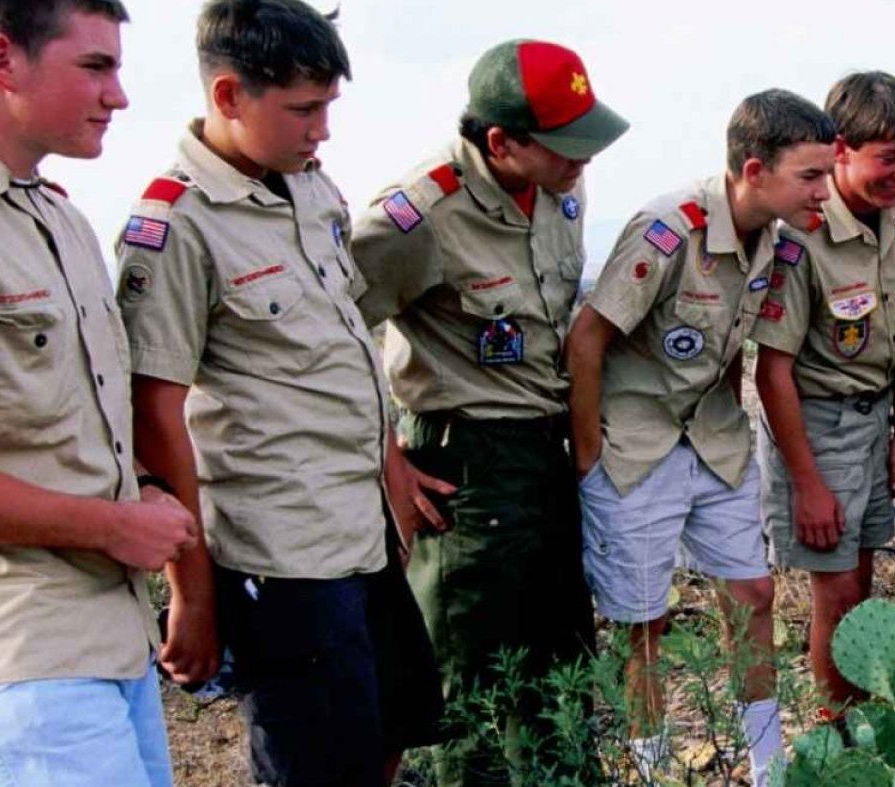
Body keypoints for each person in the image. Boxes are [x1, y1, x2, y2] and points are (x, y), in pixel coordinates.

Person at [116, 2, 446, 784]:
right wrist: (190, 593)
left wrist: (390, 462)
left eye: (327, 105)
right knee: (315, 763)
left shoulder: (308, 187)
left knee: (391, 725)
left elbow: (339, 352)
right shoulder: (175, 225)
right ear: (228, 96)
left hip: (359, 531)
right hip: (284, 552)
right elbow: (154, 416)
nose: (322, 129)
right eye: (303, 108)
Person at [0, 3, 194, 784]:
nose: (120, 96)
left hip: (102, 635)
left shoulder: (55, 216)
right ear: (3, 60)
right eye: (96, 67)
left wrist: (137, 492)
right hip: (19, 652)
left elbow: (53, 426)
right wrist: (112, 524)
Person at [348, 38, 627, 787]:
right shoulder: (416, 218)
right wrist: (388, 461)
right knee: (472, 685)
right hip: (466, 466)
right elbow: (333, 336)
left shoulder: (563, 190)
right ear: (501, 141)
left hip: (546, 453)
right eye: (565, 147)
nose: (582, 162)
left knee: (561, 672)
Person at [565, 89, 833, 787]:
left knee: (753, 595)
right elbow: (587, 340)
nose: (824, 190)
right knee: (642, 625)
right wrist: (590, 456)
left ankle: (769, 767)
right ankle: (653, 774)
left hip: (714, 439)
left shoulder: (779, 239)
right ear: (754, 169)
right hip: (634, 448)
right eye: (810, 175)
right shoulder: (667, 229)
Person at [751, 71, 895, 714]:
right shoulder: (802, 235)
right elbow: (772, 371)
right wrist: (807, 482)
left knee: (865, 584)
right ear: (843, 151)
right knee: (838, 594)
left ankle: (866, 724)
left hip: (878, 415)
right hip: (818, 426)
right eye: (889, 158)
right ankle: (838, 738)